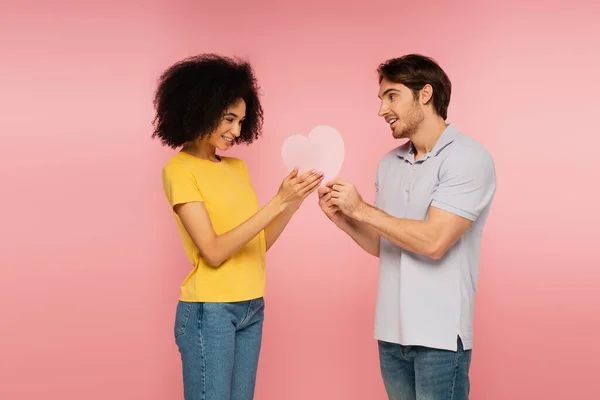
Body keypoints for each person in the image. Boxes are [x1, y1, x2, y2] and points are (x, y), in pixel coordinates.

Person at [318, 54, 496, 399]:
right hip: (390, 334)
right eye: (381, 99)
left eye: (392, 96)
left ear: (425, 94)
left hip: (440, 338)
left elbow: (434, 242)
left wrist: (363, 210)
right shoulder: (389, 163)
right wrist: (344, 218)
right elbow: (381, 244)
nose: (381, 110)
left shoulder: (468, 157)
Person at [152, 54, 323, 400]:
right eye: (229, 119)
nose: (236, 131)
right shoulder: (179, 170)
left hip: (251, 306)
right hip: (209, 312)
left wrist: (292, 202)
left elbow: (256, 244)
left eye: (241, 121)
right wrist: (276, 201)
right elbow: (213, 251)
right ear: (199, 109)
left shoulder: (236, 168)